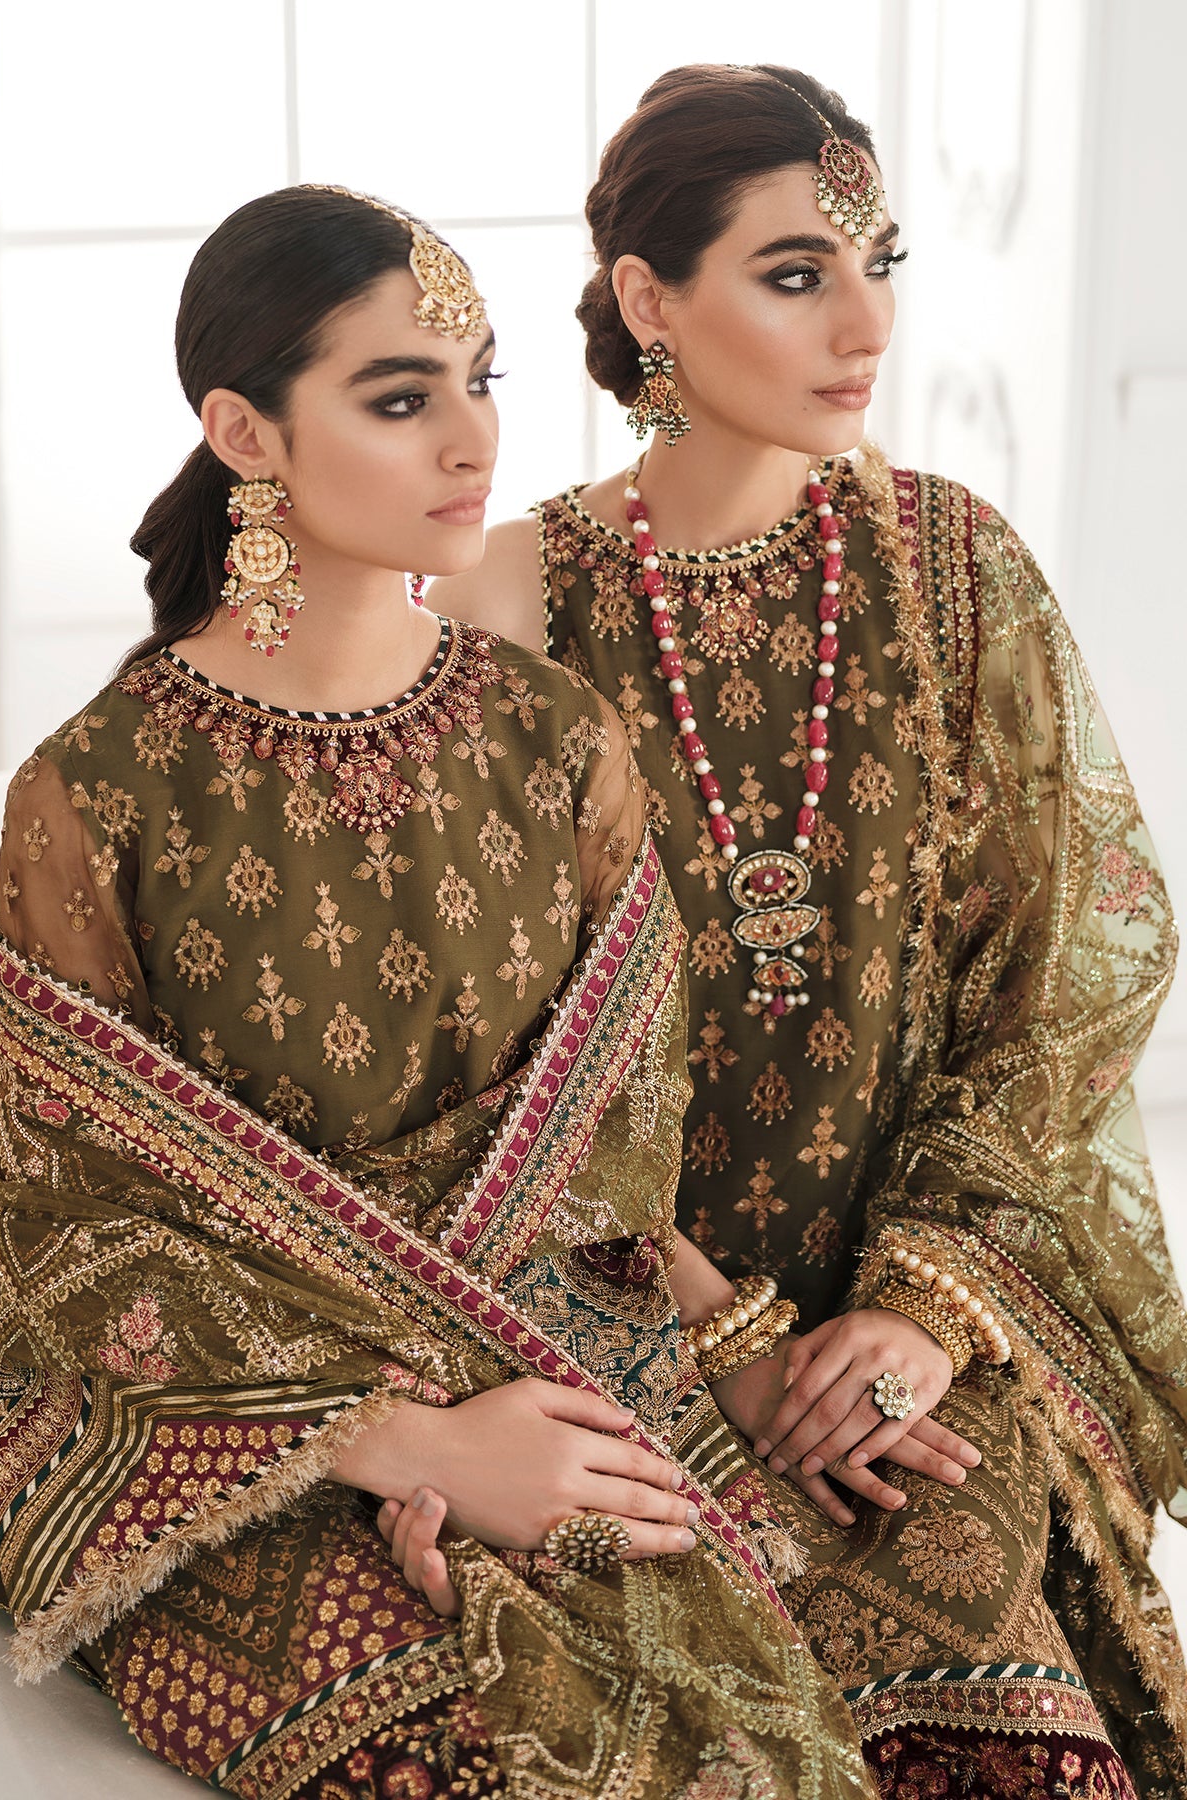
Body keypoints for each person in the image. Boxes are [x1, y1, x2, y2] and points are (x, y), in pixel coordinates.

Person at [0, 184, 879, 1798]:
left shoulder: (558, 739)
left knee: (879, 1685)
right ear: (244, 432)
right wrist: (403, 1443)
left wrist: (718, 1353)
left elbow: (614, 1151)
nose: (473, 440)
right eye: (402, 400)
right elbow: (74, 1218)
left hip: (565, 1356)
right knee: (490, 1745)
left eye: (482, 382)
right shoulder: (94, 791)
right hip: (233, 1433)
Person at [434, 64, 1187, 1798]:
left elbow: (1074, 974)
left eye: (879, 262)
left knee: (988, 1637)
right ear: (649, 302)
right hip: (607, 1315)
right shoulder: (510, 604)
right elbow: (479, 1053)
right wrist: (715, 1339)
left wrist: (920, 1310)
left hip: (913, 1312)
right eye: (796, 274)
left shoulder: (956, 569)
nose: (868, 325)